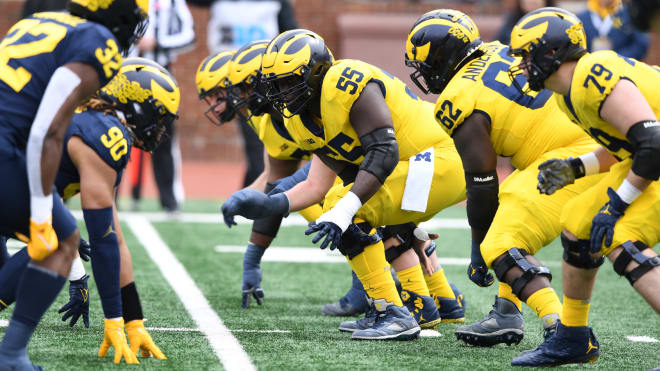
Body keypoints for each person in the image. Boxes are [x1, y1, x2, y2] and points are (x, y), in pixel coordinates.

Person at [223, 29, 468, 340]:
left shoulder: (347, 82)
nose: (283, 93)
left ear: (315, 73)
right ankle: (418, 305)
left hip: (443, 156)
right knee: (342, 199)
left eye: (288, 82)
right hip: (412, 169)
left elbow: (383, 151)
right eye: (276, 85)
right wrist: (269, 204)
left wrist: (346, 209)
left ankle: (392, 311)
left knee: (348, 205)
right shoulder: (299, 120)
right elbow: (318, 185)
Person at [405, 8, 607, 347]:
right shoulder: (497, 48)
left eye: (425, 65)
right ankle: (506, 312)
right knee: (511, 206)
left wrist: (477, 250)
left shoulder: (457, 97)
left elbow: (481, 183)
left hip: (568, 160)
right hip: (593, 143)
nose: (424, 73)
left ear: (442, 58)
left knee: (499, 241)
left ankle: (562, 327)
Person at [508, 7, 660, 366]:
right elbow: (628, 144)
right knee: (578, 223)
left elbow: (653, 145)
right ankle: (573, 337)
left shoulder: (592, 74)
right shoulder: (566, 94)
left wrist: (617, 205)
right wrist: (578, 167)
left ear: (551, 53)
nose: (521, 67)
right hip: (650, 156)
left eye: (526, 56)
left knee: (618, 233)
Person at [0, 0, 148, 368]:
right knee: (60, 241)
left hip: (9, 143)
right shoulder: (98, 42)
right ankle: (11, 356)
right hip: (6, 145)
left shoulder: (43, 21)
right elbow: (47, 131)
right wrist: (39, 215)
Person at [196, 41, 326, 308]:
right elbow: (274, 177)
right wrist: (252, 257)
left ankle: (381, 288)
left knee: (323, 202)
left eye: (221, 93)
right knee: (295, 194)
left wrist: (275, 193)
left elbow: (336, 165)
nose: (218, 105)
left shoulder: (295, 107)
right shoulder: (264, 116)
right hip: (355, 169)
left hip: (396, 161)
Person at [198, 0, 300, 187]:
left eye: (215, 95)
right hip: (242, 83)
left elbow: (292, 38)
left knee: (271, 154)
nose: (213, 104)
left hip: (262, 83)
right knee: (264, 154)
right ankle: (249, 193)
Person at [128, 0, 194, 213]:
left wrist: (158, 42)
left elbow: (189, 34)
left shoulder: (173, 3)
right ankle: (111, 195)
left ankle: (169, 199)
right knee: (115, 129)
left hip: (160, 73)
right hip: (125, 72)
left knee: (163, 136)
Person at [577, 0, 649, 59]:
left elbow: (641, 44)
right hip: (591, 70)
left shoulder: (629, 14)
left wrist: (618, 58)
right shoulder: (582, 18)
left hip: (623, 69)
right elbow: (577, 47)